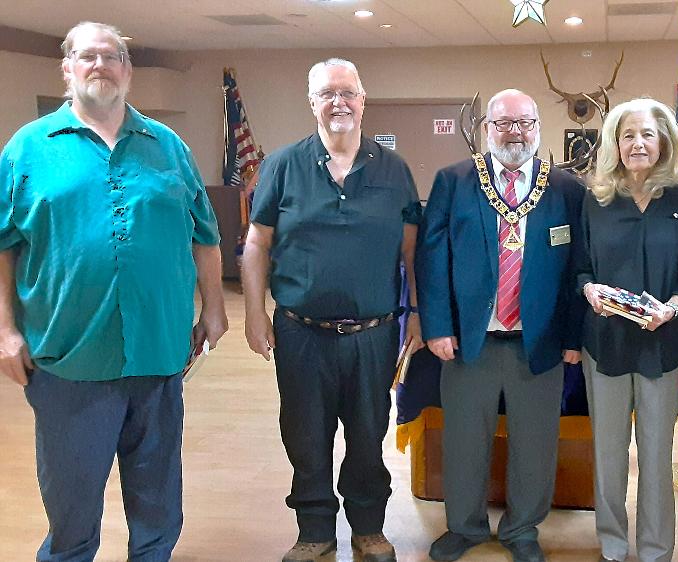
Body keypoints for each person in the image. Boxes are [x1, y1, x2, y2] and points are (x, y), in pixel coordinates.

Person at [0, 21, 228, 562]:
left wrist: (215, 309)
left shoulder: (167, 147)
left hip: (159, 353)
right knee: (72, 506)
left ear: (128, 70)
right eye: (87, 56)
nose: (100, 65)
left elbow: (206, 236)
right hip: (69, 360)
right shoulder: (27, 150)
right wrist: (5, 329)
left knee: (157, 499)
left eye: (112, 56)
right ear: (68, 70)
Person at [242, 58, 420, 562]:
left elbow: (412, 251)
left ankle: (368, 527)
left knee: (368, 434)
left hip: (374, 333)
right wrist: (255, 314)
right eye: (327, 93)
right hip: (301, 333)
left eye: (348, 92)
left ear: (363, 100)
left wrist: (419, 314)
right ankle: (315, 530)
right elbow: (257, 244)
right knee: (305, 435)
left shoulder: (394, 170)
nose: (338, 102)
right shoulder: (281, 166)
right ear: (312, 103)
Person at [416, 89, 585, 562]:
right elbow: (432, 259)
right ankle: (465, 528)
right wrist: (436, 326)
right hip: (471, 339)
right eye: (504, 123)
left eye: (525, 123)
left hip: (540, 341)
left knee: (535, 444)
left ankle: (522, 530)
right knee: (465, 441)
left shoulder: (566, 188)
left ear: (538, 128)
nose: (515, 132)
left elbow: (579, 266)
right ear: (487, 128)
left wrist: (573, 337)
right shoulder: (454, 181)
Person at [576, 98, 678, 562]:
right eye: (628, 134)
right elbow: (580, 267)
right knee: (609, 457)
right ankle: (612, 544)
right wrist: (589, 289)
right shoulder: (594, 200)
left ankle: (655, 549)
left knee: (655, 457)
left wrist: (674, 307)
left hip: (664, 347)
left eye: (648, 134)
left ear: (665, 142)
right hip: (605, 347)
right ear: (615, 142)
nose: (638, 143)